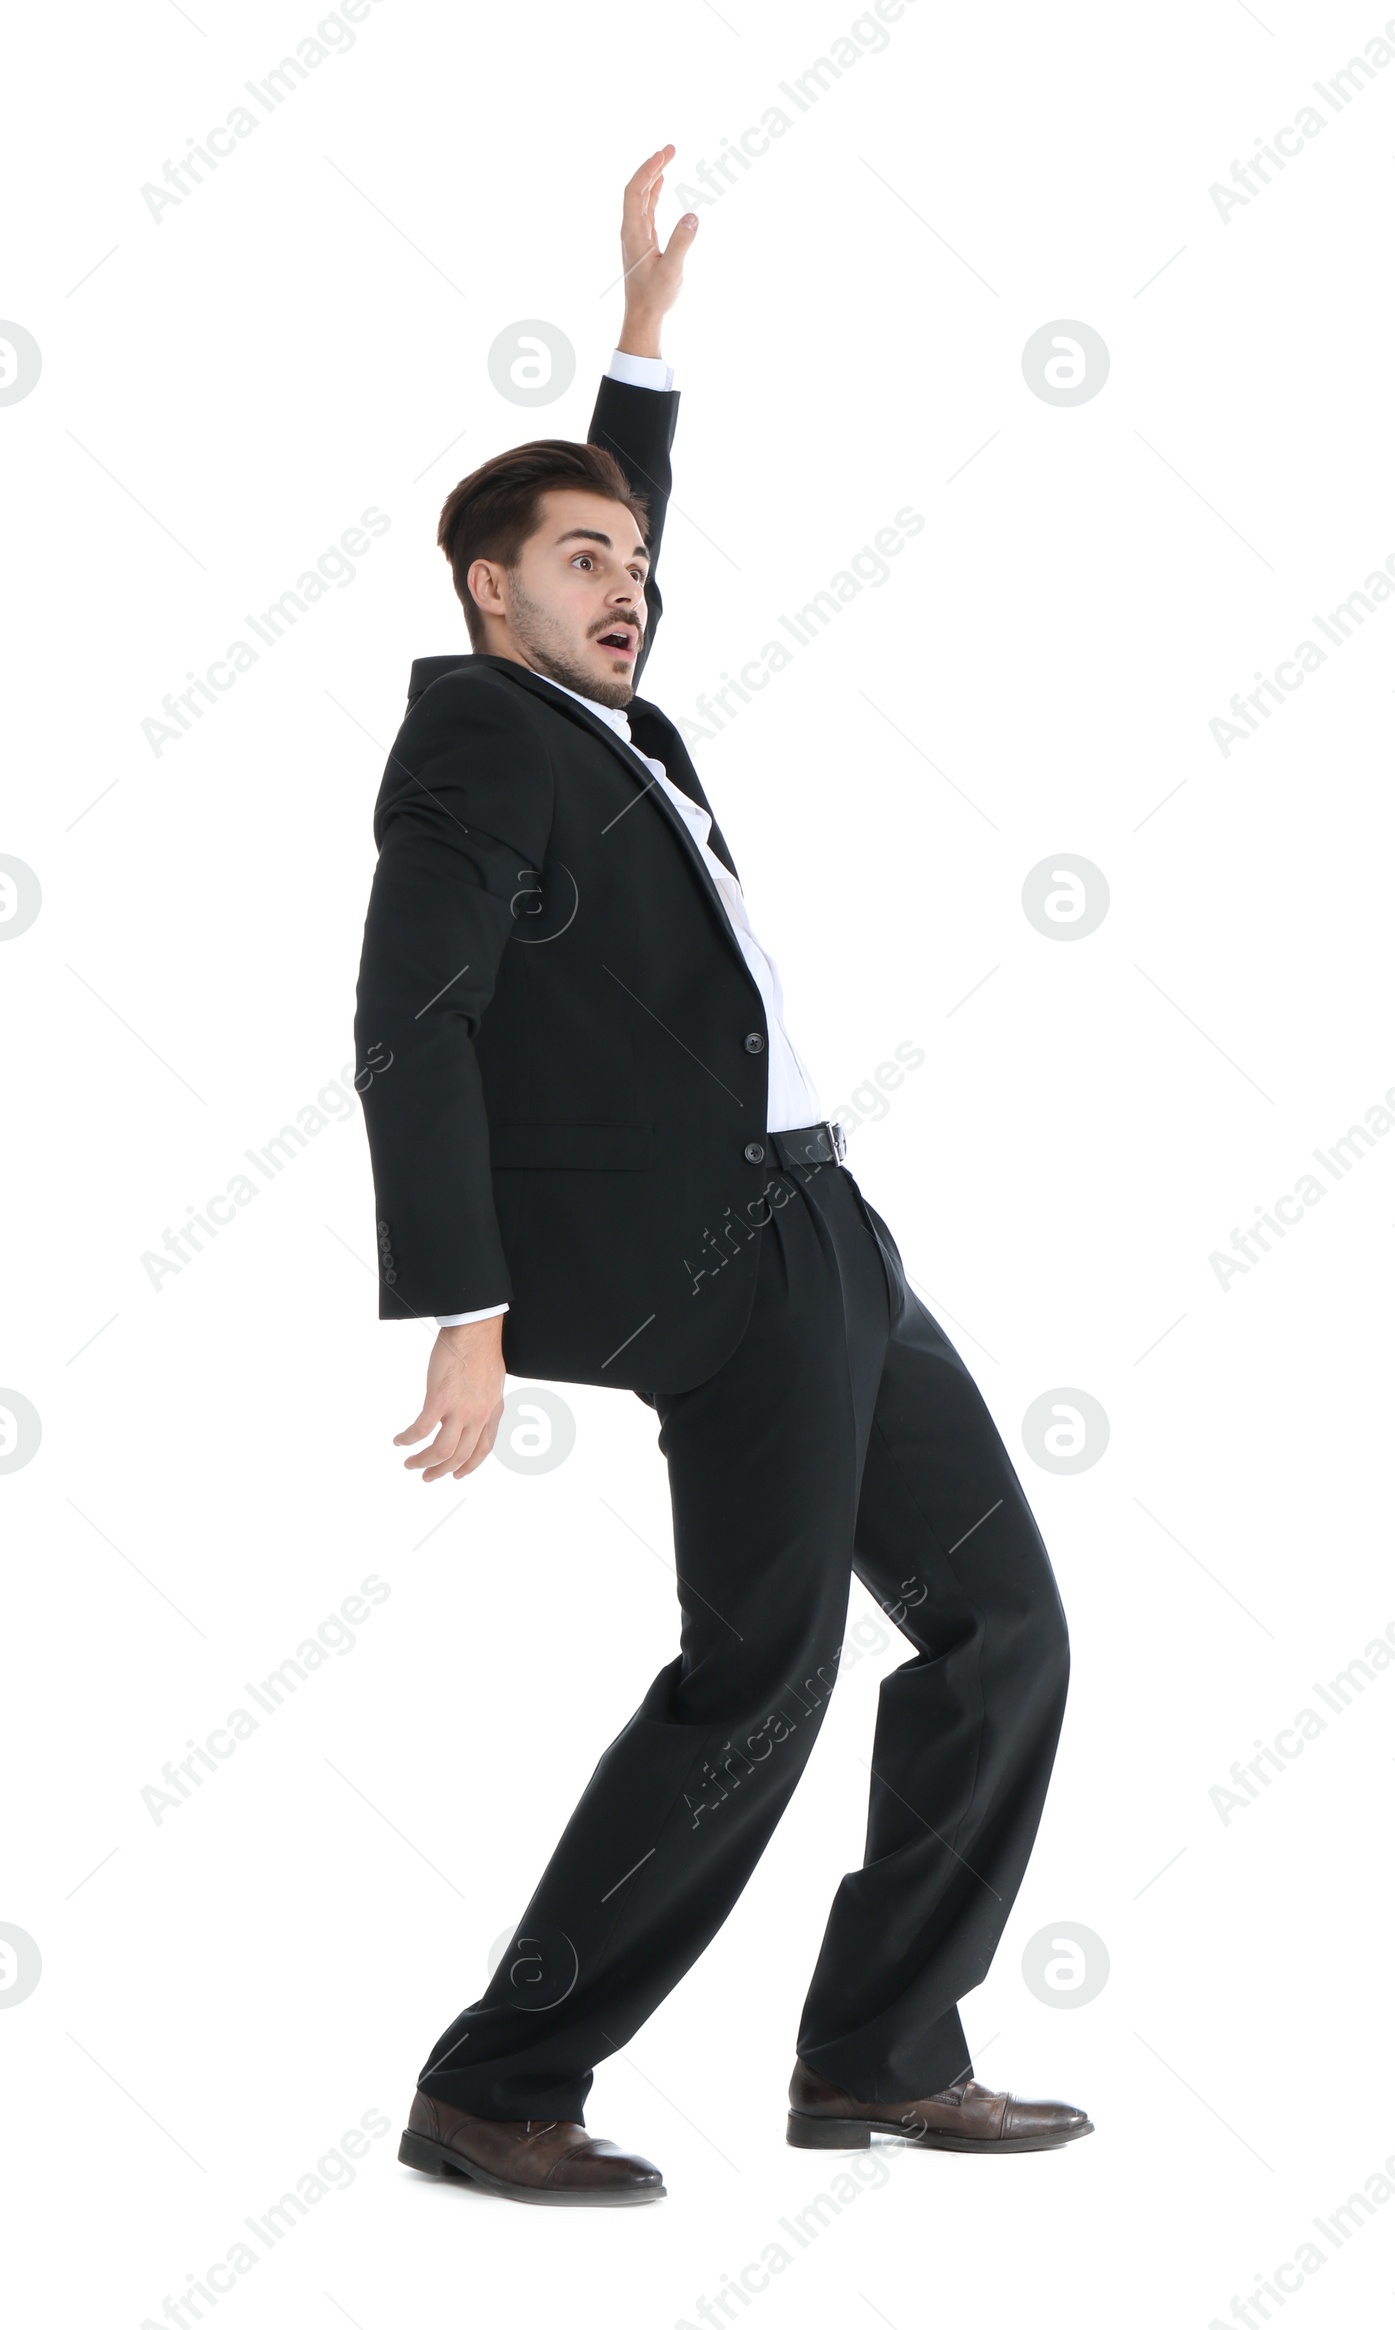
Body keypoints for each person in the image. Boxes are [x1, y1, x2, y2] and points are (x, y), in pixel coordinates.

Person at [353, 148, 1089, 2207]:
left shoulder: (591, 712)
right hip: (713, 1256)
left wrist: (642, 344)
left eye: (638, 567)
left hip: (827, 1230)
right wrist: (464, 1306)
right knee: (755, 1681)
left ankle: (877, 2047)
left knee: (1002, 1629)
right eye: (583, 560)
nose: (629, 585)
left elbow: (608, 528)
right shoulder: (482, 748)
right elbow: (407, 1022)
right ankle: (499, 2079)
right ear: (489, 592)